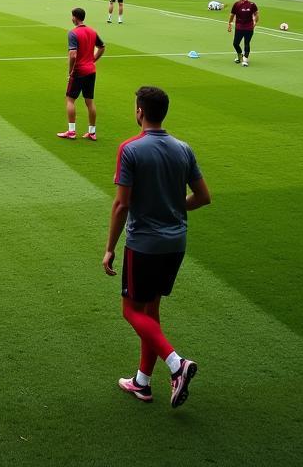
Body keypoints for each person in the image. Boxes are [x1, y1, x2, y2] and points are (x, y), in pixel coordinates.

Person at [103, 86, 211, 408]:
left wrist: (109, 247)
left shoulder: (130, 149)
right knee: (151, 310)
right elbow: (204, 197)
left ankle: (177, 365)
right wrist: (175, 208)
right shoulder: (183, 148)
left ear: (139, 111)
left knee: (130, 310)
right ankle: (142, 382)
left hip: (143, 245)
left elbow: (122, 205)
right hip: (176, 243)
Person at [58, 8, 105, 141]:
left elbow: (73, 54)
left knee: (70, 99)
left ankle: (71, 131)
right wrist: (93, 60)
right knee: (89, 101)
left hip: (79, 71)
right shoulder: (92, 31)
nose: (71, 19)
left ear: (75, 18)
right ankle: (92, 132)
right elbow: (102, 47)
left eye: (72, 16)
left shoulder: (73, 33)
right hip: (91, 70)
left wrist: (70, 71)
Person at [227, 0, 258, 66]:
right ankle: (244, 60)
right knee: (247, 43)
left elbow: (232, 15)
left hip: (239, 28)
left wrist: (230, 23)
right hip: (249, 28)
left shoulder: (237, 4)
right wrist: (255, 23)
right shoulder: (252, 4)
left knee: (236, 43)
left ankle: (241, 56)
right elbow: (256, 14)